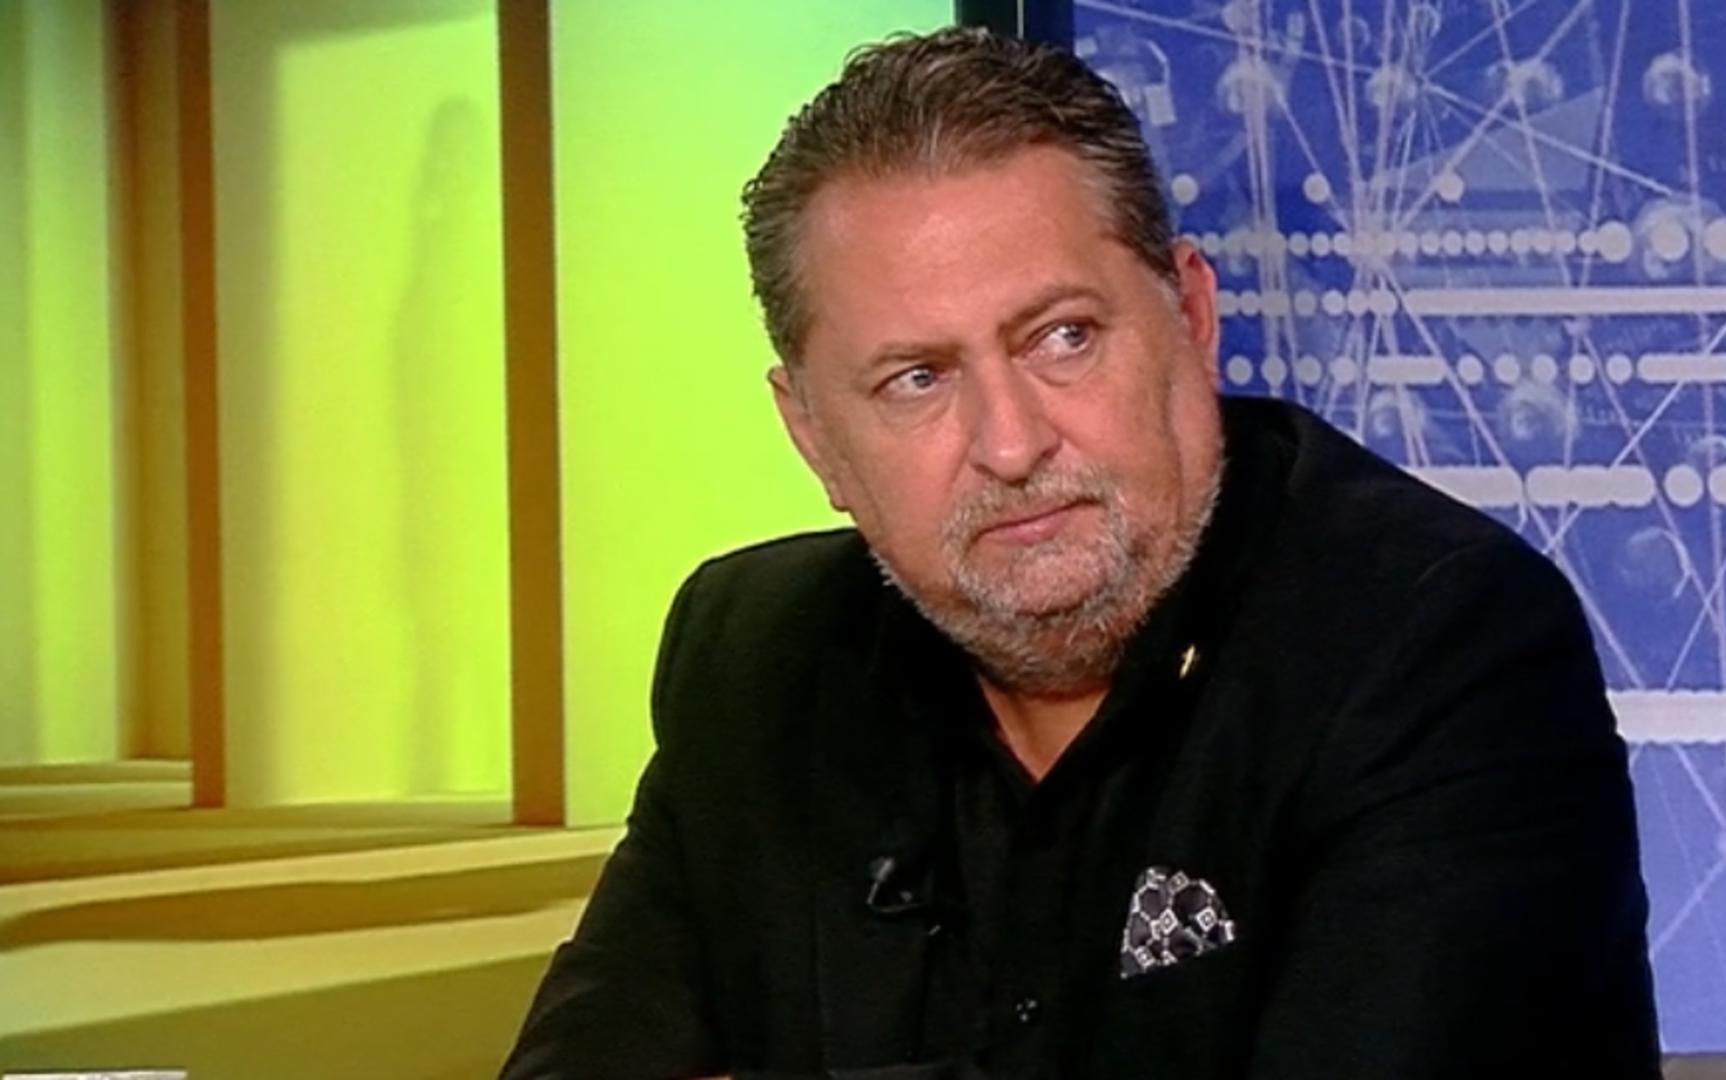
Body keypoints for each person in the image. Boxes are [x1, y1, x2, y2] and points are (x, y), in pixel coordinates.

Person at [502, 27, 1659, 1080]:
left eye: (1063, 337)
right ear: (813, 435)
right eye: (917, 378)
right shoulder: (755, 659)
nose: (1011, 445)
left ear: (1190, 316)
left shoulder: (1442, 638)